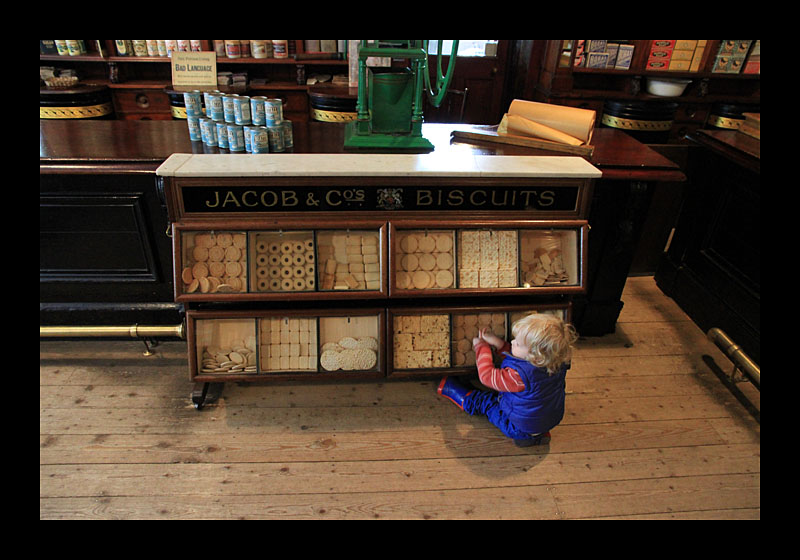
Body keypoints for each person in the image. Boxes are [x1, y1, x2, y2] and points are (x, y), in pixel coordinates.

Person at [438, 313, 578, 447]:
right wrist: (497, 343)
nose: (512, 342)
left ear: (535, 357)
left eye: (517, 343)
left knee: (486, 402)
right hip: (547, 419)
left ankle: (450, 389)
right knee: (532, 408)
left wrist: (482, 348)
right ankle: (538, 435)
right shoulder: (556, 362)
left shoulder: (518, 378)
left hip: (517, 427)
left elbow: (487, 376)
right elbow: (519, 358)